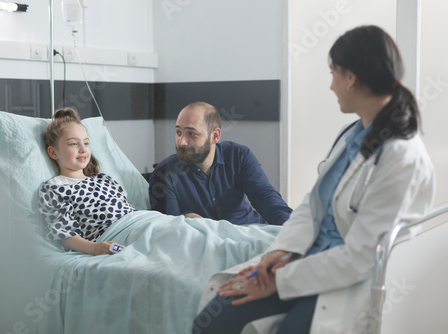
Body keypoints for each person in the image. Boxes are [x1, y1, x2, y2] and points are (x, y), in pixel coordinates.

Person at [193, 25, 435, 334]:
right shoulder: (353, 134)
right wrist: (282, 252)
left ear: (351, 77)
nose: (331, 85)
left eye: (333, 72)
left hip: (344, 280)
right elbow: (313, 204)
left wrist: (279, 281)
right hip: (305, 259)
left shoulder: (402, 158)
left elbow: (360, 257)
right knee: (213, 319)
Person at [149, 101, 292, 225]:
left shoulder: (239, 156)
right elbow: (168, 228)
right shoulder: (164, 174)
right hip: (204, 240)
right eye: (178, 132)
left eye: (191, 134)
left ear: (215, 136)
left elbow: (264, 195)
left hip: (249, 228)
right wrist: (186, 217)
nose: (182, 142)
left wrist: (287, 222)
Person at [38, 107, 136, 255]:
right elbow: (64, 233)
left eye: (86, 143)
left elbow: (128, 211)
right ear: (53, 152)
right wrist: (95, 248)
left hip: (139, 223)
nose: (83, 149)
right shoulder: (55, 188)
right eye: (73, 144)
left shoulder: (105, 180)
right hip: (114, 236)